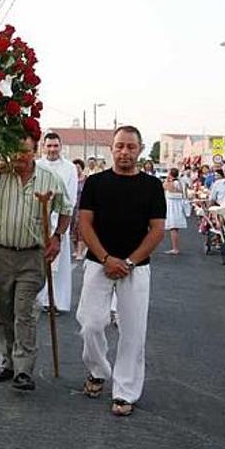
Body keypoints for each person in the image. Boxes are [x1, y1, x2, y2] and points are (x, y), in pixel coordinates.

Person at [0, 134, 71, 391]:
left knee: (23, 311)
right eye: (14, 151)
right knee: (3, 311)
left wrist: (57, 237)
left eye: (24, 152)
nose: (18, 157)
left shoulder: (49, 179)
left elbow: (66, 208)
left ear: (35, 152)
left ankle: (23, 369)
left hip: (32, 255)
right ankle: (8, 361)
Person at [76, 125, 166, 417]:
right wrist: (106, 258)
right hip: (97, 263)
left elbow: (157, 230)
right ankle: (98, 370)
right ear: (111, 149)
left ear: (139, 149)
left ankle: (125, 391)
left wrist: (128, 262)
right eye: (119, 146)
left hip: (135, 269)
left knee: (133, 331)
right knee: (90, 323)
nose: (124, 152)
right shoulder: (95, 183)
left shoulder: (152, 187)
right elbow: (85, 224)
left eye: (130, 146)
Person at [35, 132, 78, 314]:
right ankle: (38, 298)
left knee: (57, 266)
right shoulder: (37, 166)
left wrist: (61, 227)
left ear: (61, 147)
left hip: (59, 221)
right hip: (38, 220)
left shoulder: (69, 168)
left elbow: (71, 197)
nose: (52, 149)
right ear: (43, 147)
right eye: (49, 146)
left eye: (55, 146)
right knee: (37, 262)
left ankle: (54, 301)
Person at [163, 168, 187, 254]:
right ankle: (175, 247)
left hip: (173, 206)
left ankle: (175, 248)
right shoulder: (179, 182)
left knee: (173, 227)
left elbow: (167, 188)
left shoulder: (174, 182)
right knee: (174, 228)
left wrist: (167, 181)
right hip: (175, 206)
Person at [72, 158, 87, 260]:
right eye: (74, 168)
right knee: (72, 229)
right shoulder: (71, 179)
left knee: (80, 229)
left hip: (82, 207)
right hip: (72, 206)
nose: (76, 170)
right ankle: (75, 249)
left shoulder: (86, 179)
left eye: (78, 168)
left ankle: (80, 252)